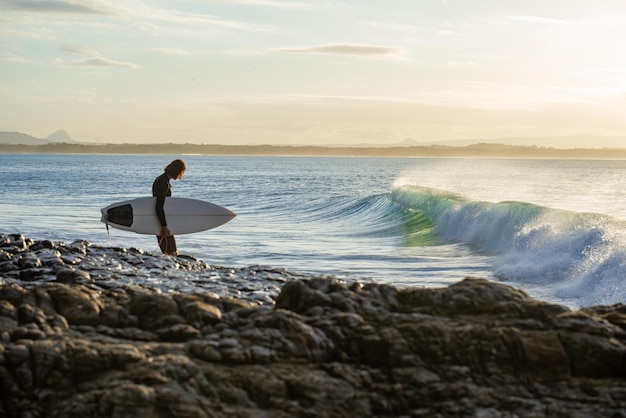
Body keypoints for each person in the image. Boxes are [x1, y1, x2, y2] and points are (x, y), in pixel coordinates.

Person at [152, 159, 187, 255]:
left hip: (162, 222)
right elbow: (159, 206)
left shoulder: (162, 180)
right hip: (161, 223)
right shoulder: (163, 183)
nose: (181, 175)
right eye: (181, 172)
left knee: (170, 254)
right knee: (172, 254)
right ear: (177, 170)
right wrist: (163, 226)